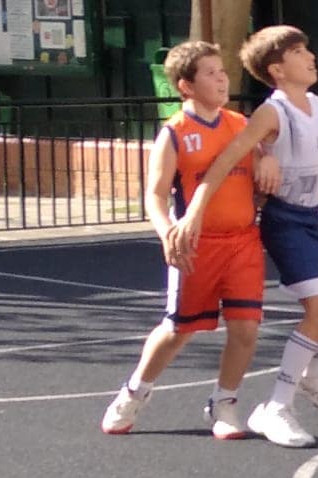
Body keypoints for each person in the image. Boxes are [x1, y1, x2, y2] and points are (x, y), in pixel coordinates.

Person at [168, 26, 318, 448]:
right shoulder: (274, 112)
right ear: (277, 69)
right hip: (284, 220)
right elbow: (227, 156)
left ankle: (309, 371)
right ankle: (276, 407)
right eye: (299, 51)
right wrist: (195, 208)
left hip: (312, 218)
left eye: (308, 48)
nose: (311, 57)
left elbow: (316, 164)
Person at [101, 40, 271, 439]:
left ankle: (225, 402)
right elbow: (156, 194)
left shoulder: (241, 123)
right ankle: (134, 392)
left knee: (245, 329)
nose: (222, 78)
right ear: (186, 86)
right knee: (179, 329)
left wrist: (269, 158)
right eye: (211, 73)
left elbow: (263, 153)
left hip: (243, 240)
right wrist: (166, 232)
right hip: (199, 244)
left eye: (223, 71)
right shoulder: (175, 133)